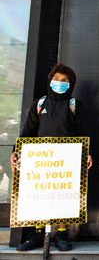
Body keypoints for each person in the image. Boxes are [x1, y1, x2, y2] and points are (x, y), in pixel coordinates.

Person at [10, 63, 92, 252]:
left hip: (66, 160)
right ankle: (38, 234)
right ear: (50, 81)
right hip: (40, 159)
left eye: (64, 80)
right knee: (40, 195)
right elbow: (28, 131)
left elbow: (84, 132)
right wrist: (16, 151)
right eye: (56, 79)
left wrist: (87, 153)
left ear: (71, 84)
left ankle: (61, 234)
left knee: (63, 195)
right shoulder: (39, 104)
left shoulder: (74, 105)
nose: (60, 83)